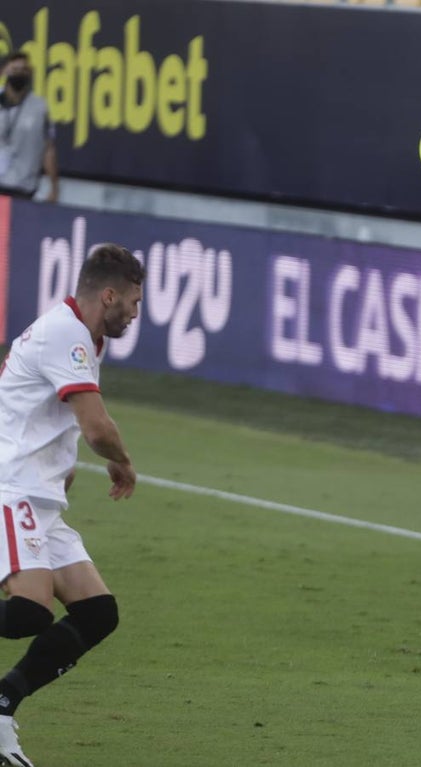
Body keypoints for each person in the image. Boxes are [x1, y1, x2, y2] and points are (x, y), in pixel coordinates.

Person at [0, 243, 144, 765]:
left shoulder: (82, 336)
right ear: (108, 294)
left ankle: (0, 707)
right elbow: (96, 426)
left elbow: (59, 420)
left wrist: (63, 472)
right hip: (10, 488)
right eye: (133, 301)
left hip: (39, 496)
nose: (135, 311)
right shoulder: (66, 334)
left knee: (97, 612)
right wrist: (122, 462)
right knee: (27, 613)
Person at [0, 53, 58, 202]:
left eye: (24, 69)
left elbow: (48, 148)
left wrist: (54, 186)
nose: (19, 73)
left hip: (23, 188)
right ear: (5, 71)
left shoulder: (39, 107)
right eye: (15, 69)